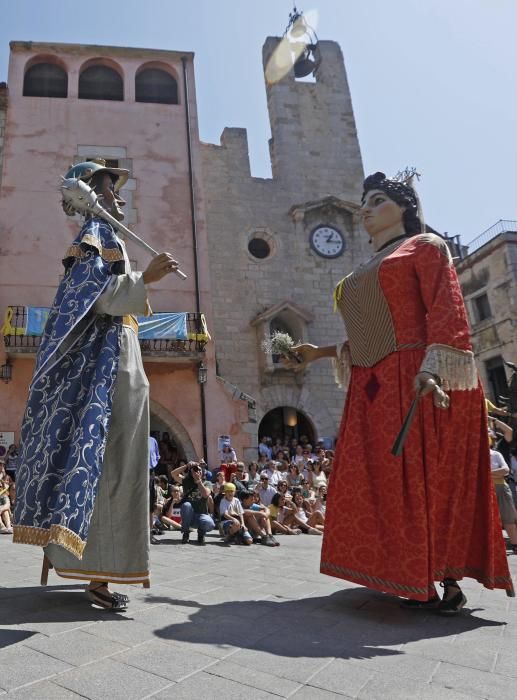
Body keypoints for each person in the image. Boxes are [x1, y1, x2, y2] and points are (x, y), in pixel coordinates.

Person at [289, 171, 514, 612]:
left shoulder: (425, 247)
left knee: (424, 474)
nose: (367, 209)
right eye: (365, 202)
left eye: (377, 200)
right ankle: (406, 573)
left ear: (404, 209)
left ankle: (445, 577)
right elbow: (371, 335)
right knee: (381, 480)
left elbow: (446, 311)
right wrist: (318, 353)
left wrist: (433, 368)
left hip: (413, 375)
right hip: (370, 385)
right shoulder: (361, 269)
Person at [13, 159, 180, 610]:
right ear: (93, 193)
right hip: (108, 362)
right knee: (114, 464)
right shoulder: (95, 238)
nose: (120, 196)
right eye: (112, 187)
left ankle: (86, 561)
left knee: (120, 461)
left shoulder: (108, 238)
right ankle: (100, 571)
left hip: (121, 351)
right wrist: (148, 278)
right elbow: (94, 297)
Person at [171, 462, 215, 545]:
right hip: (188, 516)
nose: (197, 471)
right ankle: (186, 533)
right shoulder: (187, 482)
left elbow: (205, 494)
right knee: (186, 505)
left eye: (199, 470)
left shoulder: (207, 483)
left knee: (210, 524)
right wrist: (186, 466)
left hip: (201, 516)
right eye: (195, 470)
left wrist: (198, 481)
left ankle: (201, 534)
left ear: (202, 472)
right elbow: (173, 474)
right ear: (191, 472)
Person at [490, 434, 517, 553]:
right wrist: (496, 473)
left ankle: (515, 544)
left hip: (500, 487)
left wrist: (486, 472)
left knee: (508, 519)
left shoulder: (496, 454)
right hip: (485, 488)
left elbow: (505, 470)